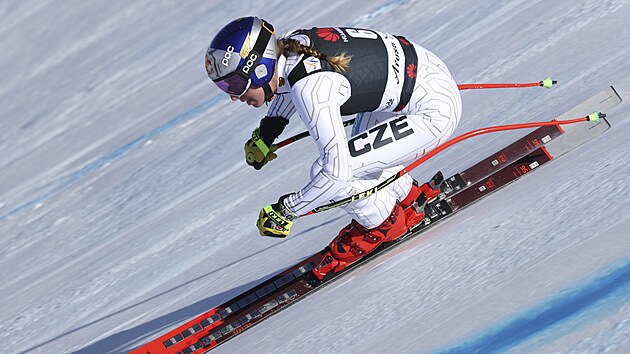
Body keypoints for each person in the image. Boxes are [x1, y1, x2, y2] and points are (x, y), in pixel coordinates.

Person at [205, 17, 462, 280]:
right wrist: (269, 132)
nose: (233, 95)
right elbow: (288, 84)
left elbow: (335, 173)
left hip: (432, 113)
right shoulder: (292, 46)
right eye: (225, 87)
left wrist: (287, 211)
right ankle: (407, 195)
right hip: (422, 80)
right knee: (358, 154)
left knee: (333, 169)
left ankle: (384, 224)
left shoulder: (312, 89)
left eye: (235, 84)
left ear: (260, 68)